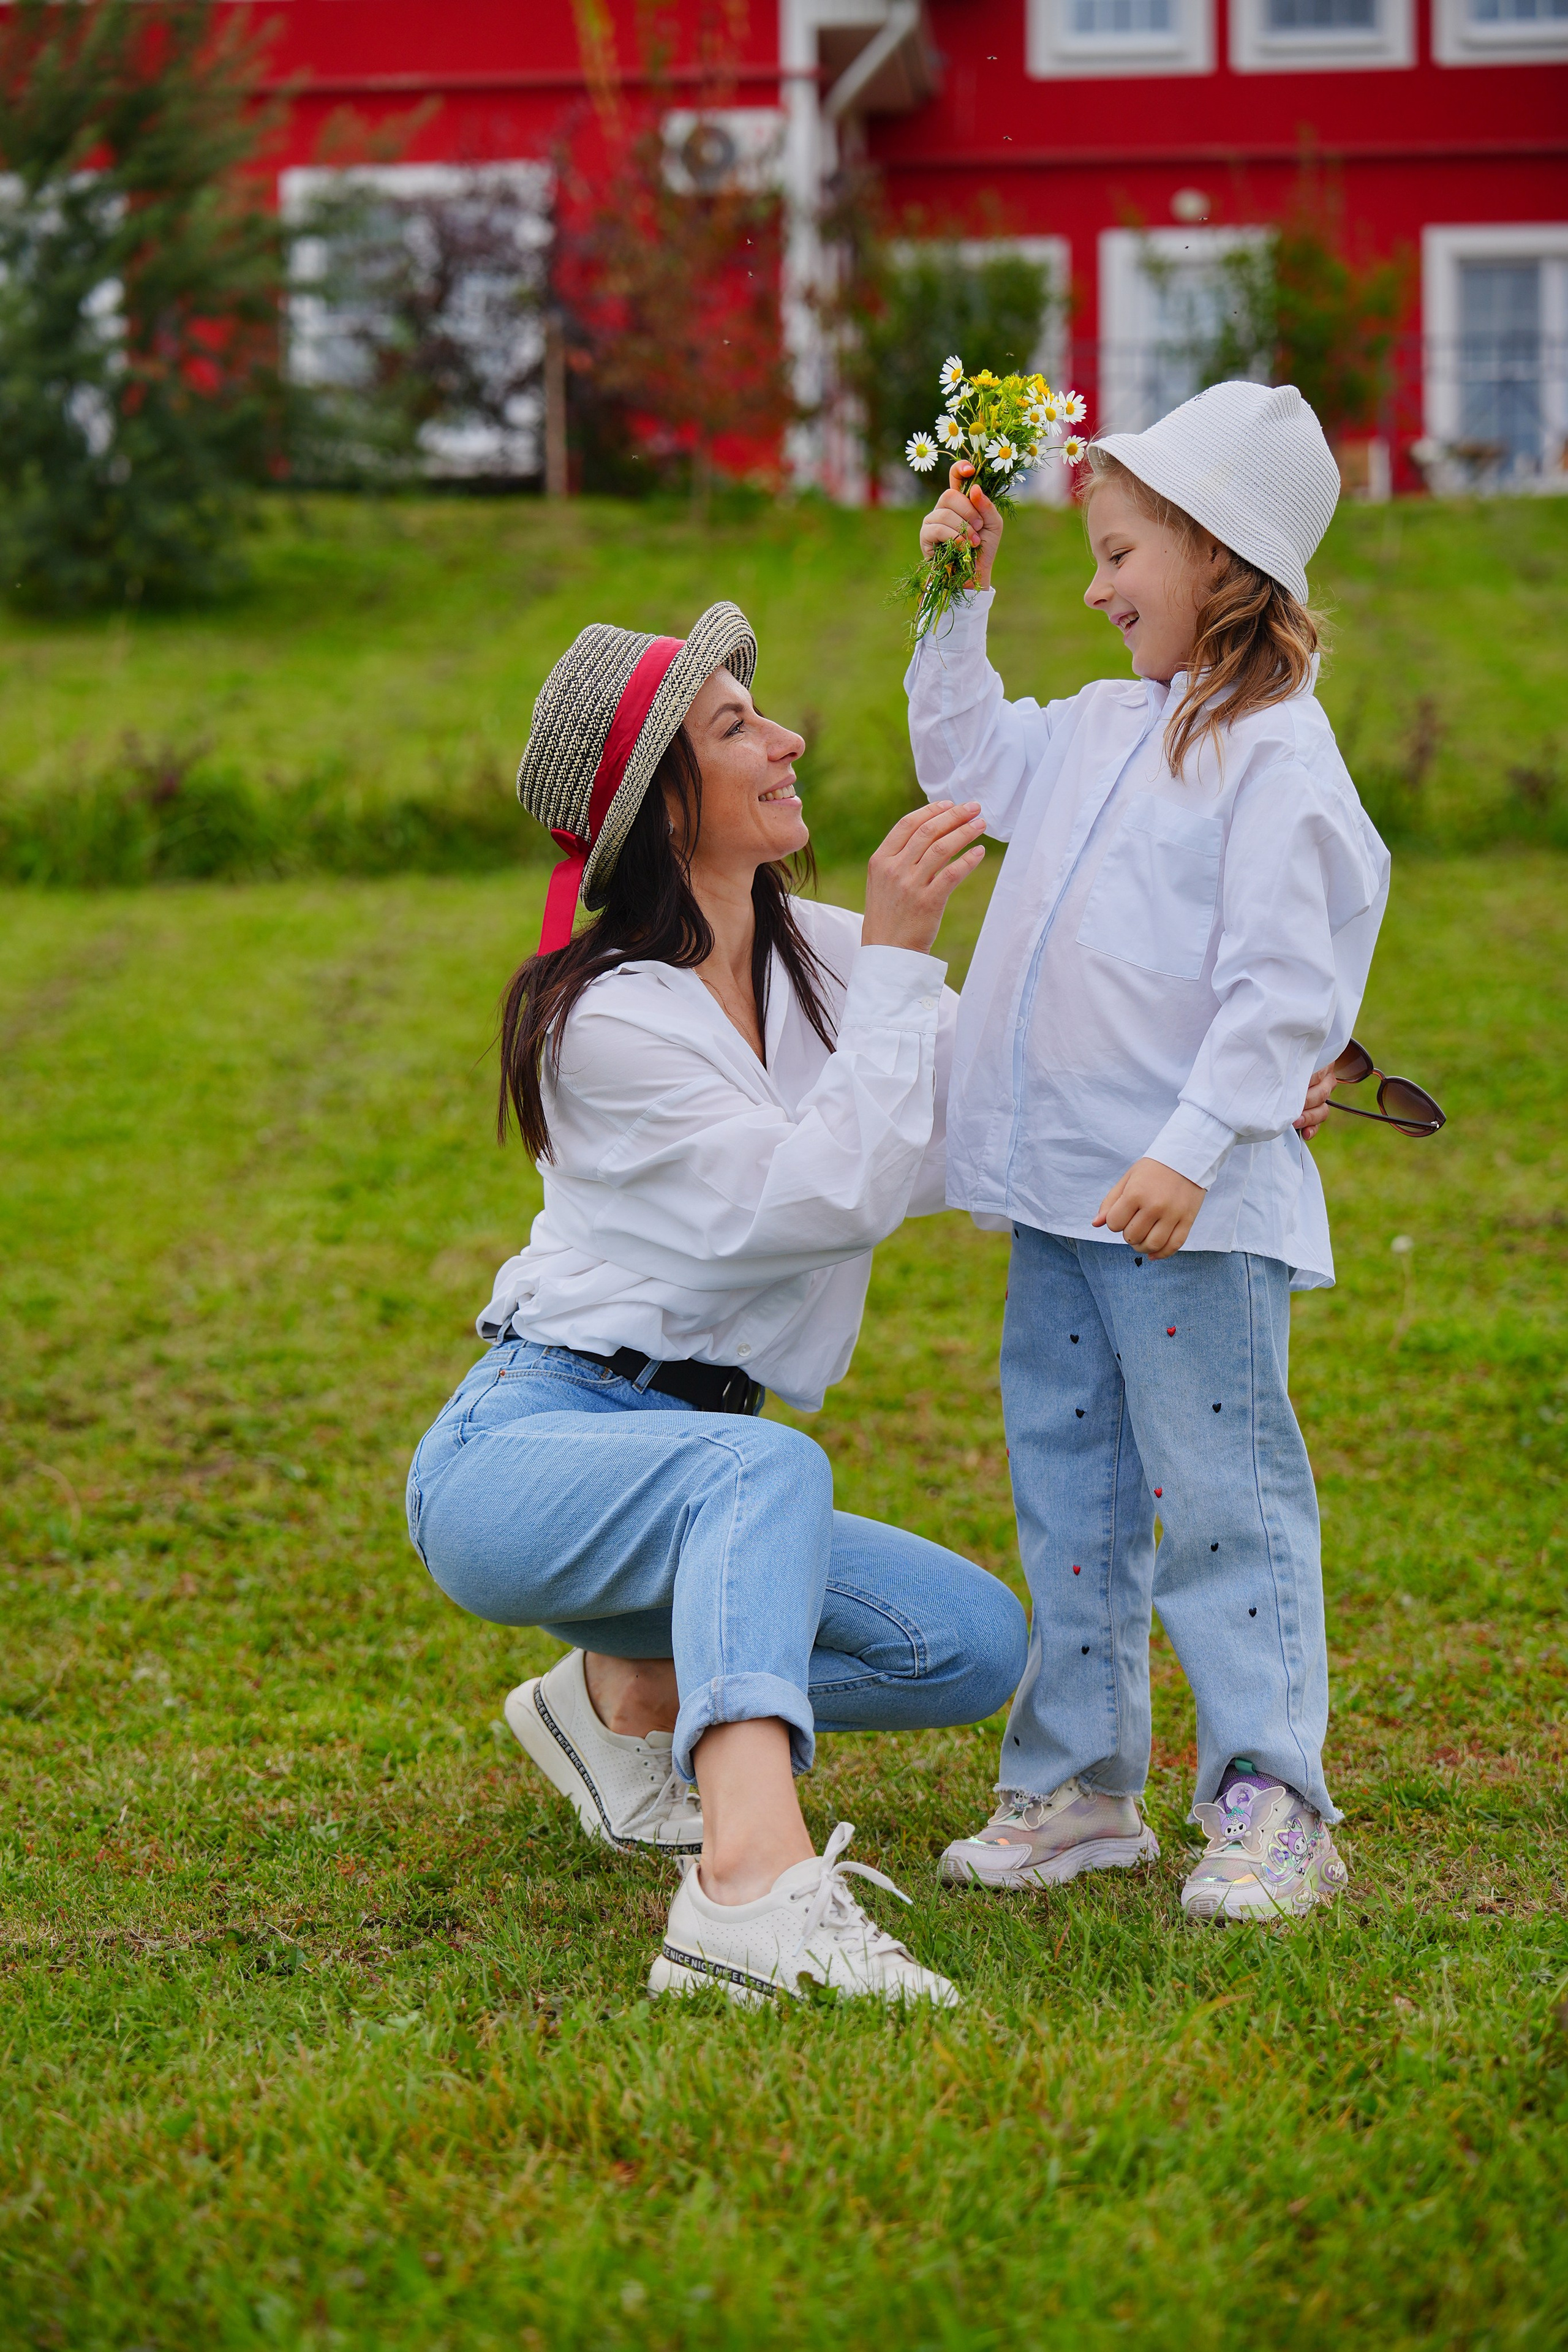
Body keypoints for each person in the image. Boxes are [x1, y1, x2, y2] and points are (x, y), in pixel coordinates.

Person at [406, 600, 1027, 2006]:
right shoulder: (605, 1020)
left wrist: (1213, 1108)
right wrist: (906, 951)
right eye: (734, 726)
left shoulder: (816, 955)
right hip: (527, 1447)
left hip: (712, 1465)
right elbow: (821, 1197)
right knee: (757, 1470)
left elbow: (986, 1095)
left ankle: (626, 1704)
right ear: (658, 804)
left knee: (968, 1643)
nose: (786, 737)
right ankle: (745, 1891)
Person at [906, 380, 1390, 1924]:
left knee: (1223, 1501)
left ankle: (1271, 1800)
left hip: (1192, 1211)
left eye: (1120, 555)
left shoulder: (1275, 757)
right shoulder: (1104, 723)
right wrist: (950, 603)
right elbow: (958, 763)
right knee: (1070, 1491)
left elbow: (1281, 990)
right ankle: (1079, 1786)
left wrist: (1189, 1149)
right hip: (1061, 1197)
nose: (1100, 587)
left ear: (1220, 560)